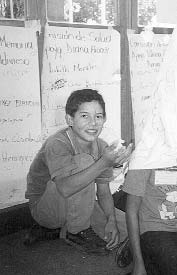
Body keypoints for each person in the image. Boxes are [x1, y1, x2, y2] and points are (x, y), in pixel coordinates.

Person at [24, 89, 132, 254]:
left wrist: (110, 220)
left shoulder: (102, 146)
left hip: (77, 204)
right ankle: (75, 231)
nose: (93, 123)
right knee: (84, 162)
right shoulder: (57, 143)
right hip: (46, 207)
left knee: (126, 226)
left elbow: (103, 192)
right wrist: (104, 162)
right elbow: (65, 188)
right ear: (70, 119)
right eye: (84, 116)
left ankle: (63, 228)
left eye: (98, 116)